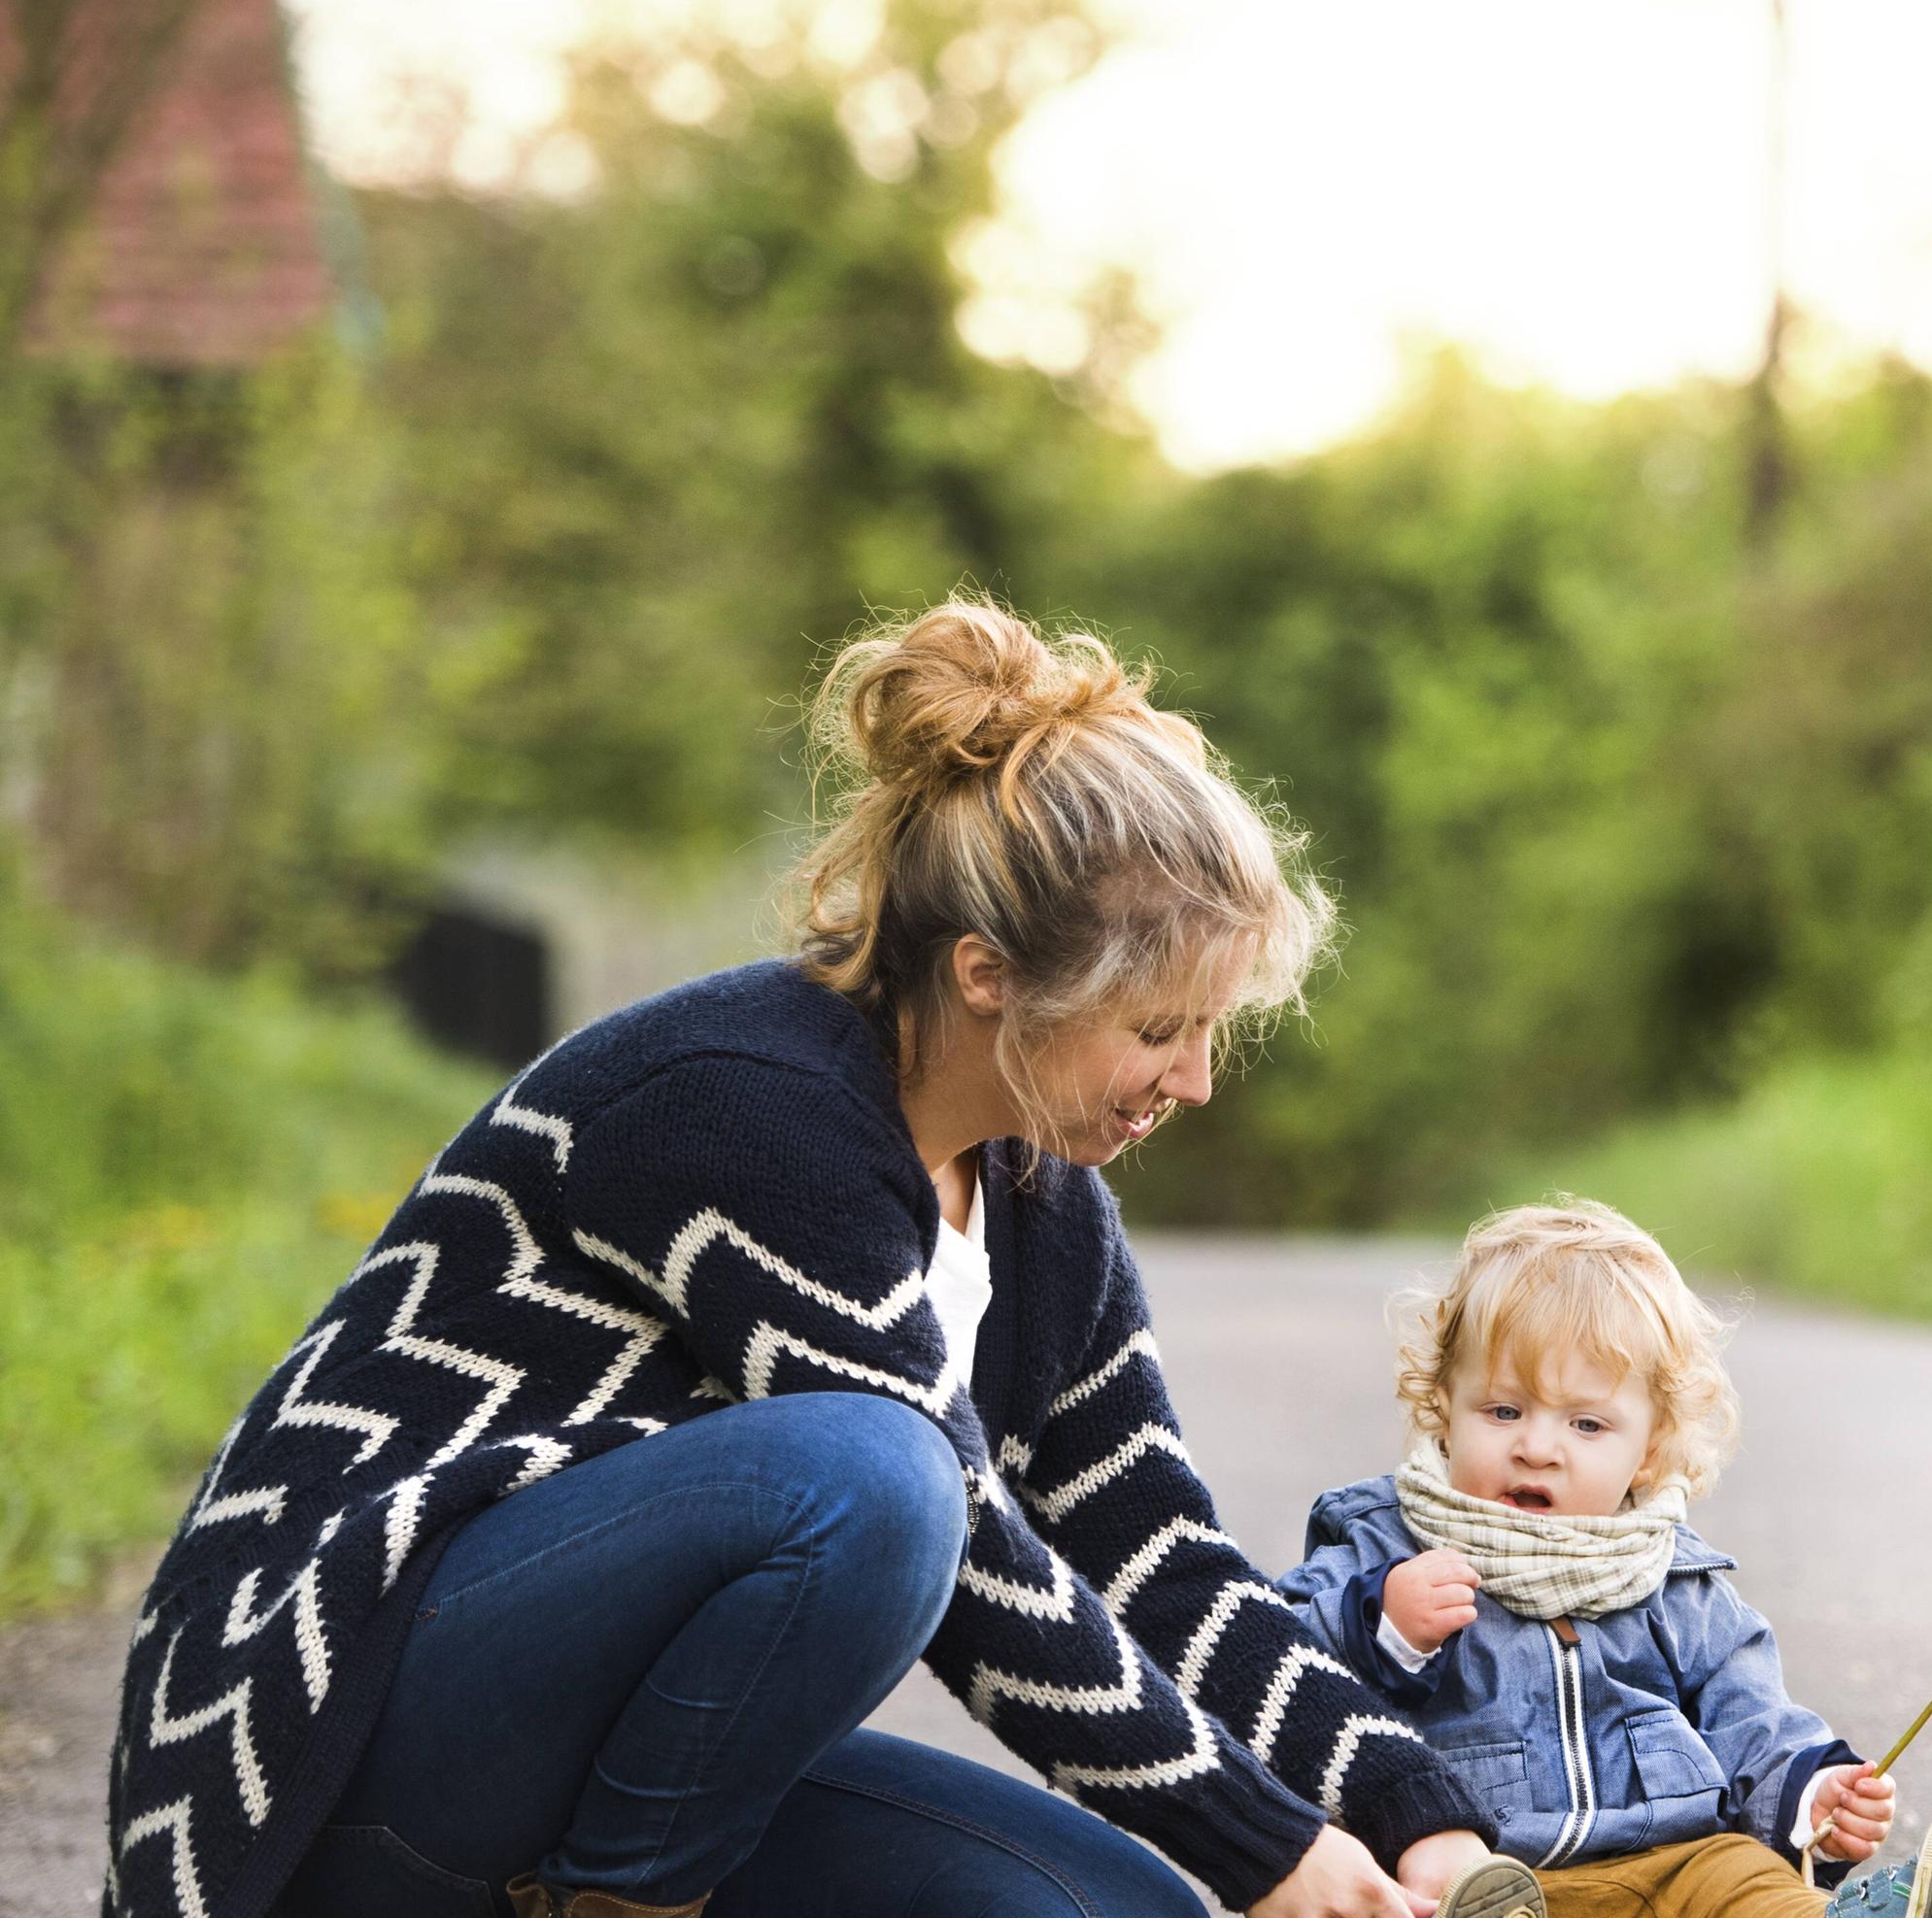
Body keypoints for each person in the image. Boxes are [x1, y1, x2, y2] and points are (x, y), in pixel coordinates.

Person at [105, 597, 1547, 1918]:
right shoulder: (743, 1103)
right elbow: (969, 1556)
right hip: (342, 1746)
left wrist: (1418, 1821)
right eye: (1161, 1029)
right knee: (877, 1480)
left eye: (1211, 1033)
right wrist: (1271, 1849)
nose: (1199, 1080)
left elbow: (1167, 1568)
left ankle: (618, 1886)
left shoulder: (1042, 1205)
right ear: (988, 976)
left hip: (588, 1770)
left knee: (1123, 1911)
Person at [1276, 1200, 1932, 1918]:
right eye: (1503, 1411)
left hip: (1674, 1857)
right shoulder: (1382, 1542)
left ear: (1649, 1448)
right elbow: (1282, 1668)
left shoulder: (1675, 1579)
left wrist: (1815, 1797)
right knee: (1449, 1890)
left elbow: (1754, 1724)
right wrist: (1385, 1625)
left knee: (1743, 1874)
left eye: (1587, 1424)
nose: (1537, 1446)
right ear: (1443, 1401)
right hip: (1499, 1869)